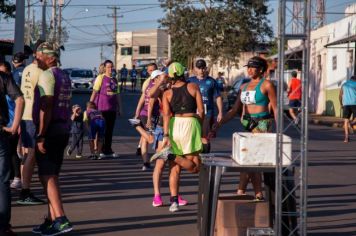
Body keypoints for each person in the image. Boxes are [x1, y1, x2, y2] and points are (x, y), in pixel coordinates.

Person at [211, 56, 277, 200]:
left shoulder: (267, 85)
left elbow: (276, 108)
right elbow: (234, 110)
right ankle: (247, 191)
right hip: (247, 125)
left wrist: (279, 131)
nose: (250, 70)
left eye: (253, 67)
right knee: (247, 160)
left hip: (262, 125)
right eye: (248, 67)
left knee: (253, 161)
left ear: (261, 70)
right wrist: (219, 123)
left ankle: (254, 192)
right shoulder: (243, 87)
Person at [150, 62, 204, 212]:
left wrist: (166, 135)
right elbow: (201, 111)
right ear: (183, 73)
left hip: (174, 126)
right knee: (195, 166)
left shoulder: (167, 92)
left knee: (174, 169)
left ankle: (174, 202)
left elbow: (166, 115)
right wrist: (201, 128)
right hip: (190, 125)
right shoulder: (193, 87)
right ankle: (172, 155)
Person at [32, 42, 73, 235]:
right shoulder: (64, 75)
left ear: (51, 58)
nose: (36, 59)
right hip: (63, 128)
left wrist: (40, 134)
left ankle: (61, 219)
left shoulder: (48, 75)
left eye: (40, 56)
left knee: (47, 177)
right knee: (51, 175)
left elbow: (46, 107)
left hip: (51, 130)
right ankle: (50, 219)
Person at [18, 42, 46, 205]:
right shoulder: (40, 72)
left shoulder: (28, 69)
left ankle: (24, 187)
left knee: (28, 154)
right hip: (32, 117)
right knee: (31, 154)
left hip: (25, 116)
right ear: (38, 53)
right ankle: (25, 191)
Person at [0, 64, 25, 235]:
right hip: (1, 132)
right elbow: (20, 99)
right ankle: (3, 227)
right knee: (2, 182)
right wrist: (14, 125)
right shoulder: (4, 77)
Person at [187, 59, 223, 153]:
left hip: (207, 113)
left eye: (203, 68)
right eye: (199, 68)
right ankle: (194, 154)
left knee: (204, 136)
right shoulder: (190, 81)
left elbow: (218, 97)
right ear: (195, 69)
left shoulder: (211, 81)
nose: (201, 70)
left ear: (205, 68)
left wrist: (220, 112)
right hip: (193, 112)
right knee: (192, 135)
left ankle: (205, 156)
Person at [90, 60, 122, 158]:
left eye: (111, 67)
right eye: (108, 67)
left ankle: (108, 149)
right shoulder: (101, 78)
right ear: (104, 68)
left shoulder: (115, 80)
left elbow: (117, 95)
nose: (110, 69)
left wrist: (120, 108)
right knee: (101, 130)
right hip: (101, 109)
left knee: (110, 130)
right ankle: (101, 150)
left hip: (112, 109)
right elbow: (94, 92)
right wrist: (89, 107)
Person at [132, 64, 159, 171]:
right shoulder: (148, 83)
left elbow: (157, 102)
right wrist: (137, 112)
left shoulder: (159, 84)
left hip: (153, 114)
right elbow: (142, 98)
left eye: (152, 70)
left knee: (146, 138)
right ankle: (146, 162)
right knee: (145, 138)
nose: (150, 72)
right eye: (149, 70)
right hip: (145, 113)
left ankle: (148, 162)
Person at [339, 75, 356, 143]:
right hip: (355, 104)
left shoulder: (344, 84)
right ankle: (351, 124)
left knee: (346, 121)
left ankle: (346, 138)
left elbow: (340, 95)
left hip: (346, 105)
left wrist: (341, 104)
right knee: (354, 120)